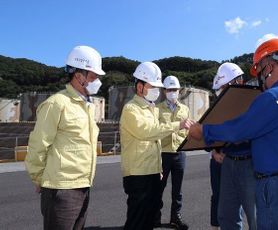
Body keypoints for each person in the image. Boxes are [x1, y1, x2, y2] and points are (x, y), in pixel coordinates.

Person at [188, 38, 278, 229]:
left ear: (268, 66)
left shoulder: (273, 97)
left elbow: (239, 130)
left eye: (258, 70)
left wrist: (203, 131)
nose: (258, 76)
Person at [25, 45, 105, 230]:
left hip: (83, 184)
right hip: (61, 188)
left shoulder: (86, 106)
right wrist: (39, 179)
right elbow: (38, 145)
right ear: (78, 75)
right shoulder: (56, 104)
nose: (97, 81)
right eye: (93, 76)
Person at [120, 62, 193, 230]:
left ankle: (174, 217)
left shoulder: (149, 109)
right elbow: (148, 132)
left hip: (151, 171)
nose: (157, 91)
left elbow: (155, 142)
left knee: (146, 220)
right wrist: (177, 125)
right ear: (140, 87)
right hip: (138, 174)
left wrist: (158, 168)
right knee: (137, 221)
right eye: (153, 86)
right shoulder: (131, 109)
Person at [211, 63, 256, 230]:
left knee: (254, 214)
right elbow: (212, 129)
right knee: (227, 213)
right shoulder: (220, 104)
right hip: (227, 162)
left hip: (249, 163)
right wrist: (214, 151)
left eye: (225, 86)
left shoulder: (253, 100)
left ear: (238, 81)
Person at [155, 76, 189, 230]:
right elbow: (157, 131)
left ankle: (175, 217)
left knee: (178, 190)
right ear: (164, 91)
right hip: (163, 153)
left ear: (179, 90)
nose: (172, 92)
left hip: (180, 153)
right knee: (158, 187)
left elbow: (187, 130)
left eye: (174, 90)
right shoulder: (157, 109)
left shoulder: (185, 109)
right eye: (169, 90)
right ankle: (155, 216)